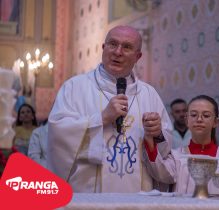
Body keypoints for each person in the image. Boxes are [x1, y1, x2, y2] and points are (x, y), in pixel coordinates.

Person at [47, 25, 176, 193]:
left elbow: (165, 149)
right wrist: (101, 119)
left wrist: (157, 134)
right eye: (113, 44)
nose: (118, 52)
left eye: (127, 47)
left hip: (137, 196)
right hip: (88, 195)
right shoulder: (75, 87)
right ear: (103, 48)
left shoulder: (149, 94)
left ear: (138, 56)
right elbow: (58, 133)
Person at [174, 95, 219, 195]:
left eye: (206, 115)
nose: (199, 119)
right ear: (187, 120)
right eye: (194, 115)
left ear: (216, 122)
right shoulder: (175, 156)